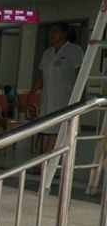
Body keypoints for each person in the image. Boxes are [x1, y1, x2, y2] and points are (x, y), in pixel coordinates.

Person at [30, 22, 84, 150]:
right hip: (48, 98)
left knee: (59, 129)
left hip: (65, 98)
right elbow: (41, 77)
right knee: (49, 129)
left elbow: (80, 75)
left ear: (65, 34)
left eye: (56, 31)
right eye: (51, 31)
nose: (52, 34)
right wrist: (31, 95)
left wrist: (82, 96)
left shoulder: (74, 51)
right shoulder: (47, 53)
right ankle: (48, 160)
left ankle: (48, 161)